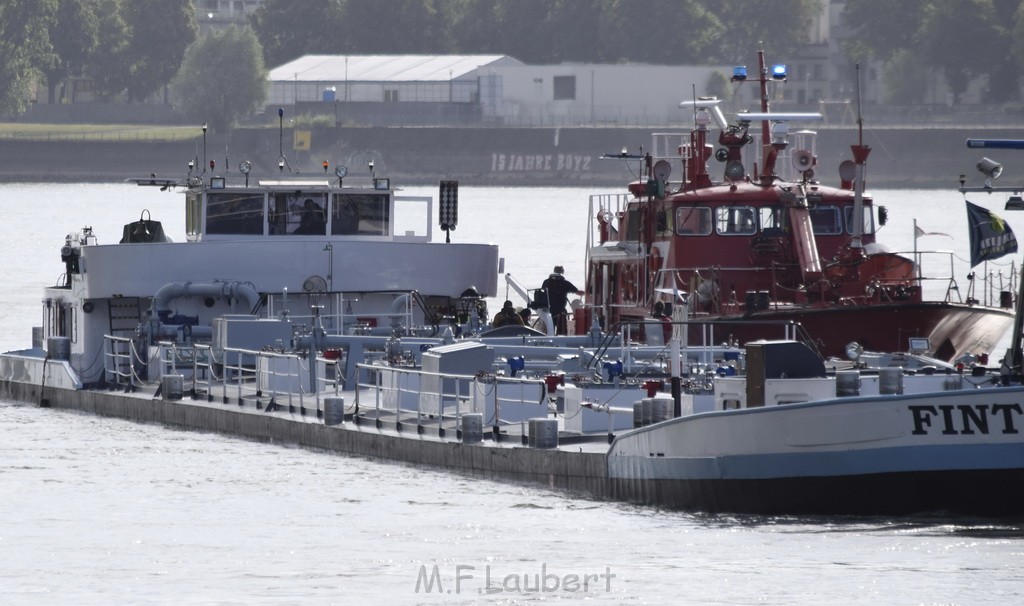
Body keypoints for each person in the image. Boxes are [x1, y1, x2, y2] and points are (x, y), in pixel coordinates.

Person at [541, 265, 583, 335]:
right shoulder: (565, 283)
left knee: (548, 332)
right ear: (562, 272)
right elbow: (578, 292)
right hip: (560, 311)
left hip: (547, 311)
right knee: (562, 332)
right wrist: (588, 292)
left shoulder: (546, 282)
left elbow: (542, 292)